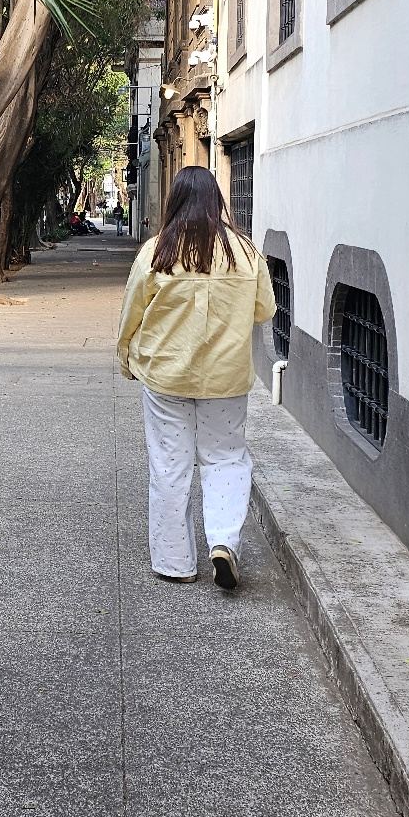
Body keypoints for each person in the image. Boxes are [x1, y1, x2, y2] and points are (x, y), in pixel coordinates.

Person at [116, 166, 276, 590]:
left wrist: (126, 355)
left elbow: (132, 311)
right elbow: (264, 310)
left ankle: (176, 563)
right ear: (216, 200)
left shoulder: (156, 251)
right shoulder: (245, 252)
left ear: (174, 201)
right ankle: (223, 542)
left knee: (170, 465)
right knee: (225, 458)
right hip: (226, 378)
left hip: (166, 374)